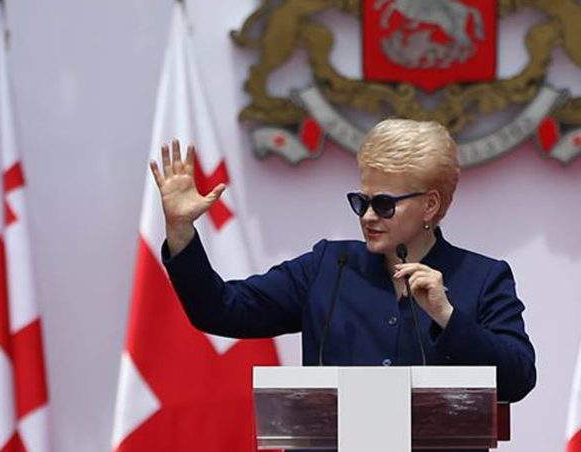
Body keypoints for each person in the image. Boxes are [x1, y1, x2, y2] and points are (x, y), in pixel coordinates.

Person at [150, 118, 536, 405]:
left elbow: (518, 379)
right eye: (361, 202)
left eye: (383, 204)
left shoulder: (483, 278)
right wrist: (181, 231)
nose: (368, 216)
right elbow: (221, 310)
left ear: (430, 205)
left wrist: (447, 317)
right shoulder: (327, 267)